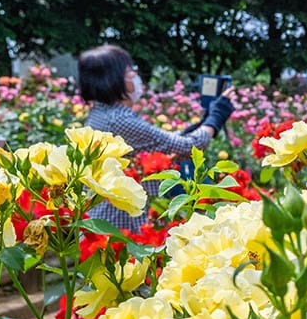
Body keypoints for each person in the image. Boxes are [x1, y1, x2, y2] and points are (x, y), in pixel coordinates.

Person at [78, 44, 234, 230]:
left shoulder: (102, 114)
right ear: (113, 79)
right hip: (121, 222)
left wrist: (203, 122)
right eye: (130, 72)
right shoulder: (119, 119)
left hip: (104, 216)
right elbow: (190, 146)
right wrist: (216, 117)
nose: (136, 76)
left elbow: (159, 141)